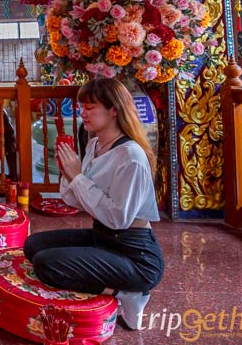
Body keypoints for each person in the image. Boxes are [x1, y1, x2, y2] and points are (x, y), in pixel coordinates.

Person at [24, 77, 164, 330]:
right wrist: (69, 174)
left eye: (90, 107)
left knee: (47, 264)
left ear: (114, 110)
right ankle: (119, 284)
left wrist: (78, 177)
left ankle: (128, 293)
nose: (83, 113)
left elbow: (118, 219)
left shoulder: (131, 156)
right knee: (33, 245)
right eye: (82, 107)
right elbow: (74, 200)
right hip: (103, 237)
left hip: (135, 255)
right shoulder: (95, 144)